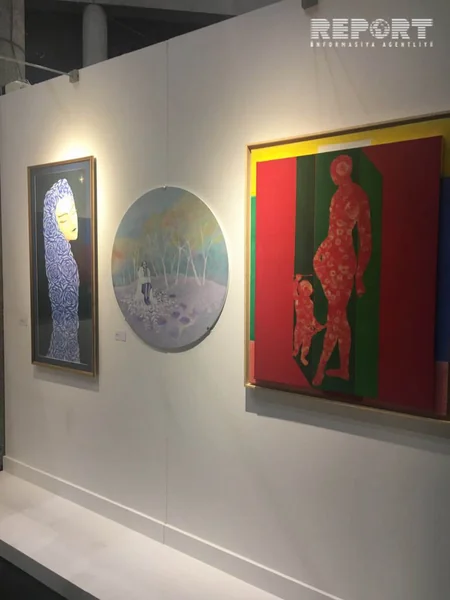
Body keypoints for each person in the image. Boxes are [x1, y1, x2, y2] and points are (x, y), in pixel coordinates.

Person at [312, 154, 372, 386]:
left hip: (344, 262)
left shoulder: (359, 196)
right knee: (340, 317)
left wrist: (359, 275)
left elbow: (366, 239)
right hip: (329, 257)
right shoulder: (337, 195)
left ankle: (321, 368)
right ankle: (345, 369)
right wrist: (321, 254)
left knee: (335, 315)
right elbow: (332, 232)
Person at [43, 178, 80, 363]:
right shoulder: (63, 265)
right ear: (54, 225)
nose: (73, 223)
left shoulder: (65, 258)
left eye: (73, 212)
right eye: (63, 219)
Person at [293, 274, 325, 366]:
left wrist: (313, 323)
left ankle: (303, 356)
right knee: (297, 340)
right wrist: (296, 281)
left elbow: (313, 315)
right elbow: (293, 292)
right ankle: (295, 351)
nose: (306, 290)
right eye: (304, 288)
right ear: (300, 290)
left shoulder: (311, 303)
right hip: (300, 326)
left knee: (307, 343)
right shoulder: (298, 299)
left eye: (308, 288)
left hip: (308, 327)